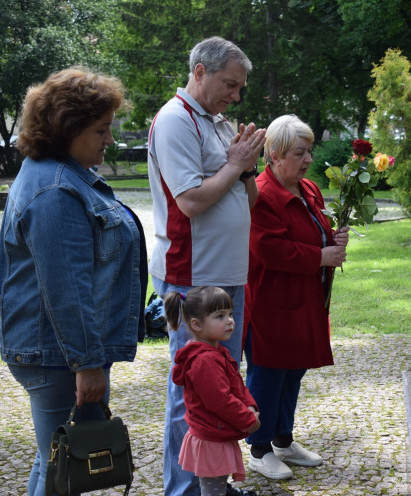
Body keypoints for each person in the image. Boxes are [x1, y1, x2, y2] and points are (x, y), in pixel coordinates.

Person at [0, 67, 148, 496]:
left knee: (55, 458)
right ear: (69, 128)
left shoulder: (56, 173)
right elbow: (67, 290)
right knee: (61, 471)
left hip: (56, 349)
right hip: (58, 354)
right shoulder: (56, 190)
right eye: (101, 130)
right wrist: (87, 363)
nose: (110, 140)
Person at [147, 36, 266, 495]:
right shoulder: (176, 120)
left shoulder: (217, 123)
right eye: (229, 84)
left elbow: (248, 199)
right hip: (192, 274)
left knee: (222, 385)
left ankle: (212, 482)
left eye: (240, 88)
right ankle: (183, 491)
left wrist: (247, 166)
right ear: (200, 71)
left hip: (227, 274)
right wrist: (235, 164)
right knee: (191, 393)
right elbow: (192, 200)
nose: (236, 96)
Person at [244, 115, 349, 479]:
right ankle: (258, 449)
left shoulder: (308, 189)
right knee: (269, 373)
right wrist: (320, 256)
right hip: (272, 303)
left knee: (293, 371)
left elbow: (316, 230)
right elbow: (269, 250)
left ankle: (283, 440)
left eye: (309, 152)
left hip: (304, 299)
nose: (307, 160)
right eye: (299, 153)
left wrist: (333, 240)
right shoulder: (261, 194)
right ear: (274, 155)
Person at [163, 287, 260, 496]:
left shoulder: (213, 350)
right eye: (220, 316)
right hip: (211, 439)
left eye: (230, 314)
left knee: (215, 488)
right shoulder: (205, 361)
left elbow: (235, 383)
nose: (230, 321)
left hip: (214, 434)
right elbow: (219, 400)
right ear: (197, 324)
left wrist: (250, 404)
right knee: (212, 492)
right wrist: (247, 419)